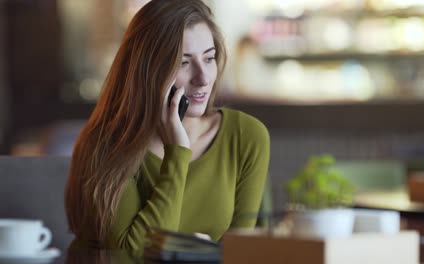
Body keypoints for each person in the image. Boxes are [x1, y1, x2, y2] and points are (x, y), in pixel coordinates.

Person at [65, 0, 270, 250]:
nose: (202, 78)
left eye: (209, 58)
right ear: (147, 69)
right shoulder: (106, 143)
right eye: (184, 63)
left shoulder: (246, 136)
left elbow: (240, 253)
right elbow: (131, 255)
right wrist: (177, 153)